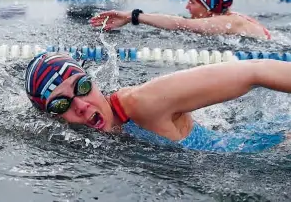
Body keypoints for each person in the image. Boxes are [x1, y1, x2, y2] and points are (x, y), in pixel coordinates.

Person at [25, 51, 291, 153]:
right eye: (61, 104)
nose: (80, 105)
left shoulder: (145, 103)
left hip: (274, 146)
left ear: (93, 81)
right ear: (51, 116)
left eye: (82, 87)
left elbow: (255, 70)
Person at [90, 0, 271, 40]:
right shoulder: (229, 18)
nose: (187, 7)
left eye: (192, 2)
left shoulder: (229, 22)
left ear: (210, 6)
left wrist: (133, 16)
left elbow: (180, 24)